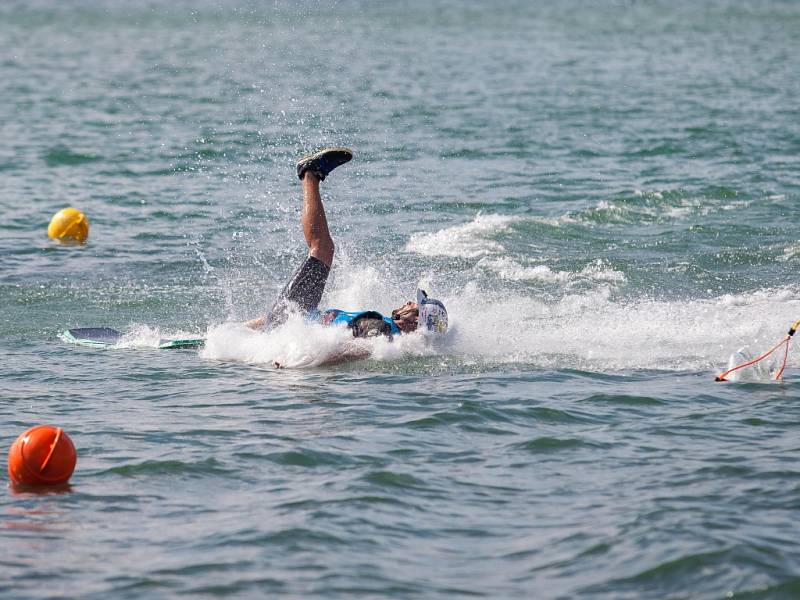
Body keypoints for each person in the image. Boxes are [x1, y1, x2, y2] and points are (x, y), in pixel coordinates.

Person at [246, 147, 448, 339]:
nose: (409, 302)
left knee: (322, 248)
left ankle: (311, 173)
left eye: (416, 306)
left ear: (415, 322)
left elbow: (350, 349)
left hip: (291, 322)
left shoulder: (382, 331)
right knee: (266, 323)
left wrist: (302, 358)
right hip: (296, 319)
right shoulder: (388, 332)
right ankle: (220, 342)